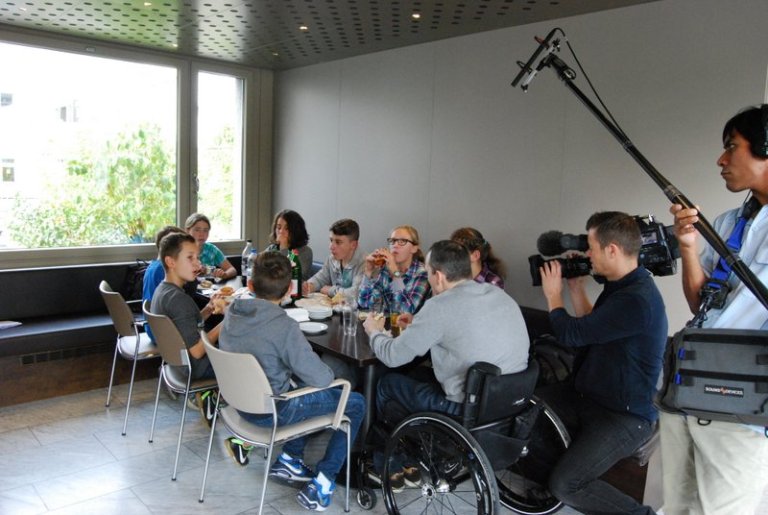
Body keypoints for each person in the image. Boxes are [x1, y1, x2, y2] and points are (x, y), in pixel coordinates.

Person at [663, 105, 768, 515]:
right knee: (677, 506)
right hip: (687, 389)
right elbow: (701, 303)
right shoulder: (728, 222)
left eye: (732, 148)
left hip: (745, 411)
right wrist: (688, 246)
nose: (721, 161)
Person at [363, 240, 529, 485]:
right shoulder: (497, 294)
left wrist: (373, 331)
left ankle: (389, 464)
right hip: (509, 403)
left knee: (387, 383)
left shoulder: (440, 305)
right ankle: (408, 457)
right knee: (414, 378)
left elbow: (392, 356)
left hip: (466, 409)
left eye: (429, 273)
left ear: (438, 275)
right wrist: (420, 324)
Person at [538, 211, 666, 515]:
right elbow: (595, 327)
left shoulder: (637, 299)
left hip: (624, 416)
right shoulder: (621, 286)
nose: (587, 254)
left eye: (591, 248)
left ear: (612, 250)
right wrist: (576, 289)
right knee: (525, 406)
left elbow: (572, 334)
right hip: (590, 397)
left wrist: (553, 296)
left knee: (566, 484)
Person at [218, 251, 365, 511]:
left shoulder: (232, 312)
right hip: (272, 411)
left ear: (250, 285)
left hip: (238, 404)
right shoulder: (283, 327)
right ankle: (323, 481)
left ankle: (290, 458)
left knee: (301, 387)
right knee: (353, 401)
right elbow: (321, 378)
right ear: (288, 291)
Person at [150, 232, 223, 425]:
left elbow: (186, 324)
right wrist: (228, 320)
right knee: (251, 354)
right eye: (190, 258)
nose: (198, 264)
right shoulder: (179, 300)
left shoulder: (163, 291)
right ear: (170, 262)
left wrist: (207, 309)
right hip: (194, 368)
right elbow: (198, 351)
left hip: (177, 364)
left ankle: (209, 397)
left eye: (197, 257)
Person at [357, 225, 429, 316]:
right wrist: (368, 271)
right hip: (385, 327)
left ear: (414, 248)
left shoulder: (422, 273)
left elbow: (405, 313)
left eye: (402, 241)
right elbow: (364, 304)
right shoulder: (385, 270)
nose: (395, 245)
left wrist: (395, 274)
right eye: (393, 241)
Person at [303, 218, 365, 300]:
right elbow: (320, 278)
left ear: (353, 245)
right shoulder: (332, 258)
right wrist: (309, 285)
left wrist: (330, 290)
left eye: (338, 242)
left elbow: (356, 294)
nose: (331, 247)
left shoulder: (365, 263)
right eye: (331, 240)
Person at [184, 213, 236, 280]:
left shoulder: (211, 249)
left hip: (208, 288)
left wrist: (224, 275)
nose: (202, 234)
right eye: (197, 230)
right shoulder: (181, 251)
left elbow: (232, 270)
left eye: (205, 230)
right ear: (188, 231)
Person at [265, 209, 314, 280]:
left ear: (296, 231)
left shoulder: (305, 251)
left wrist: (284, 247)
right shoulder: (272, 248)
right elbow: (260, 268)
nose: (281, 231)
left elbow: (292, 278)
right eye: (278, 227)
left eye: (287, 228)